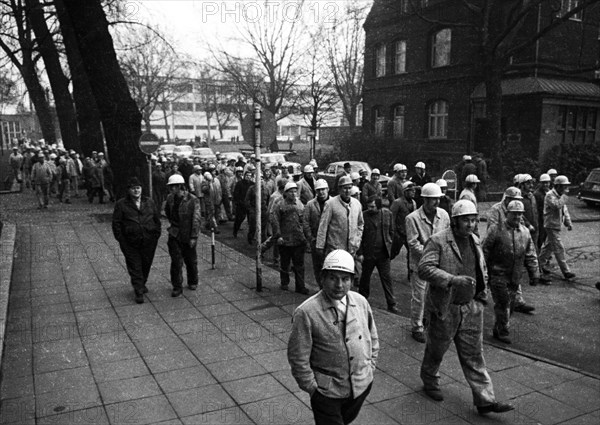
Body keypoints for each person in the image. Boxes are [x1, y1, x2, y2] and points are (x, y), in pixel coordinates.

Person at [418, 200, 514, 415]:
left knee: (474, 355)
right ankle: (429, 379)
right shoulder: (438, 241)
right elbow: (424, 269)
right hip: (446, 307)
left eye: (473, 220)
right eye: (466, 221)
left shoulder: (475, 241)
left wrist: (481, 298)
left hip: (472, 307)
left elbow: (482, 269)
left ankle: (485, 400)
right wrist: (452, 279)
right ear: (454, 221)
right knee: (437, 349)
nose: (470, 225)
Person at [288, 249, 379, 425]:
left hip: (360, 387)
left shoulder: (361, 302)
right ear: (322, 279)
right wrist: (312, 388)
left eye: (345, 279)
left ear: (352, 281)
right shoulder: (306, 312)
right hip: (327, 394)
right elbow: (298, 357)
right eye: (333, 278)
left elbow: (372, 338)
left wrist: (369, 367)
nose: (339, 285)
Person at [483, 200, 540, 344]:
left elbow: (530, 254)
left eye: (520, 214)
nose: (517, 217)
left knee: (511, 305)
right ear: (507, 214)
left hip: (514, 276)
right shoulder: (495, 229)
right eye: (514, 214)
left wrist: (534, 273)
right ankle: (502, 332)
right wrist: (484, 273)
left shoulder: (525, 232)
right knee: (503, 303)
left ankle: (498, 327)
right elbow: (485, 251)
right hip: (498, 275)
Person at [405, 183, 451, 343]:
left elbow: (448, 235)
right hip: (420, 265)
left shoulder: (444, 215)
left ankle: (432, 324)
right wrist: (430, 255)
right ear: (424, 199)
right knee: (419, 296)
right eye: (432, 200)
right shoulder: (412, 218)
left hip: (439, 264)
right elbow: (412, 243)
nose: (436, 202)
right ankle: (416, 327)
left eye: (438, 199)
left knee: (438, 296)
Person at [112, 177, 161, 304]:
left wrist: (156, 234)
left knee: (146, 264)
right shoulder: (121, 204)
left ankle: (142, 283)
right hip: (130, 242)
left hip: (149, 240)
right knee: (135, 266)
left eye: (138, 188)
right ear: (128, 190)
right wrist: (121, 240)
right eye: (133, 188)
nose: (136, 191)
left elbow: (156, 219)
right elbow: (116, 223)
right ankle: (138, 290)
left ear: (141, 189)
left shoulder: (149, 202)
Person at [357, 196, 398, 314]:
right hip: (368, 254)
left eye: (373, 206)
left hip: (383, 254)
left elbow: (391, 231)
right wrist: (359, 252)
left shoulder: (387, 214)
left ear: (379, 206)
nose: (370, 209)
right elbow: (359, 234)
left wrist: (390, 246)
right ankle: (361, 302)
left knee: (387, 279)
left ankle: (391, 304)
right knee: (365, 278)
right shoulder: (363, 215)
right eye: (368, 206)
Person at [164, 174, 201, 297]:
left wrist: (193, 236)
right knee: (176, 261)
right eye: (170, 187)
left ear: (180, 186)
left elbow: (196, 219)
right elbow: (168, 212)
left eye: (174, 186)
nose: (171, 189)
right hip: (174, 233)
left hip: (188, 234)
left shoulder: (192, 199)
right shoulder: (170, 198)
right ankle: (177, 286)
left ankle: (193, 281)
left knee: (190, 260)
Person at [271, 181, 309, 294]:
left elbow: (304, 220)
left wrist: (304, 236)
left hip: (298, 240)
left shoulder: (300, 204)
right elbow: (275, 221)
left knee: (299, 265)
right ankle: (284, 282)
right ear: (286, 193)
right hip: (285, 240)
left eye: (295, 191)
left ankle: (300, 286)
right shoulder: (280, 205)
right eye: (291, 192)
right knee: (285, 263)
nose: (293, 194)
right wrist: (278, 236)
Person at [316, 176, 364, 257]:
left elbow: (360, 224)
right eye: (345, 188)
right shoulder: (330, 204)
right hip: (335, 248)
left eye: (349, 188)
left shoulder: (357, 204)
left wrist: (357, 239)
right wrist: (320, 246)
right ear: (339, 189)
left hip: (351, 248)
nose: (347, 191)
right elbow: (323, 226)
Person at [539, 175, 575, 280]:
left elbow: (564, 210)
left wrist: (568, 222)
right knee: (559, 248)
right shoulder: (550, 195)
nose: (565, 188)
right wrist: (564, 196)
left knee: (548, 247)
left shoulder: (560, 195)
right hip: (551, 225)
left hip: (556, 225)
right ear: (558, 186)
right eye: (564, 186)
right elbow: (557, 205)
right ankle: (566, 271)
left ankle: (538, 265)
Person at [303, 178, 329, 287]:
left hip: (330, 240)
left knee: (329, 265)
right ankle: (321, 287)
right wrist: (310, 238)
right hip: (315, 240)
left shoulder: (332, 203)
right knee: (317, 266)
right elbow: (305, 222)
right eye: (319, 190)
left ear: (327, 189)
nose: (321, 192)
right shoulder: (310, 204)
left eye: (323, 190)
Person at [390, 181, 417, 277]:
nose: (413, 192)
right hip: (398, 233)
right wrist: (393, 232)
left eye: (414, 190)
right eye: (411, 191)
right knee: (392, 252)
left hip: (408, 233)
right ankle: (384, 267)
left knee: (411, 253)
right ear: (405, 191)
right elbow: (391, 218)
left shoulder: (414, 203)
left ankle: (411, 273)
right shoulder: (397, 202)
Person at [232, 169, 254, 238]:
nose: (248, 177)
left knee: (251, 221)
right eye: (247, 175)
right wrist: (239, 202)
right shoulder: (239, 183)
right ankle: (235, 231)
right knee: (239, 219)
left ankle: (251, 236)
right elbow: (236, 194)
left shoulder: (252, 184)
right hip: (241, 204)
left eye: (250, 176)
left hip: (250, 205)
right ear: (244, 176)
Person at [534, 173, 551, 250]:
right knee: (540, 238)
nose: (545, 185)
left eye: (547, 183)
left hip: (548, 219)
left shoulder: (550, 192)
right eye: (543, 183)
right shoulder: (537, 194)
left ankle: (546, 255)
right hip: (540, 219)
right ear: (540, 183)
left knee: (548, 238)